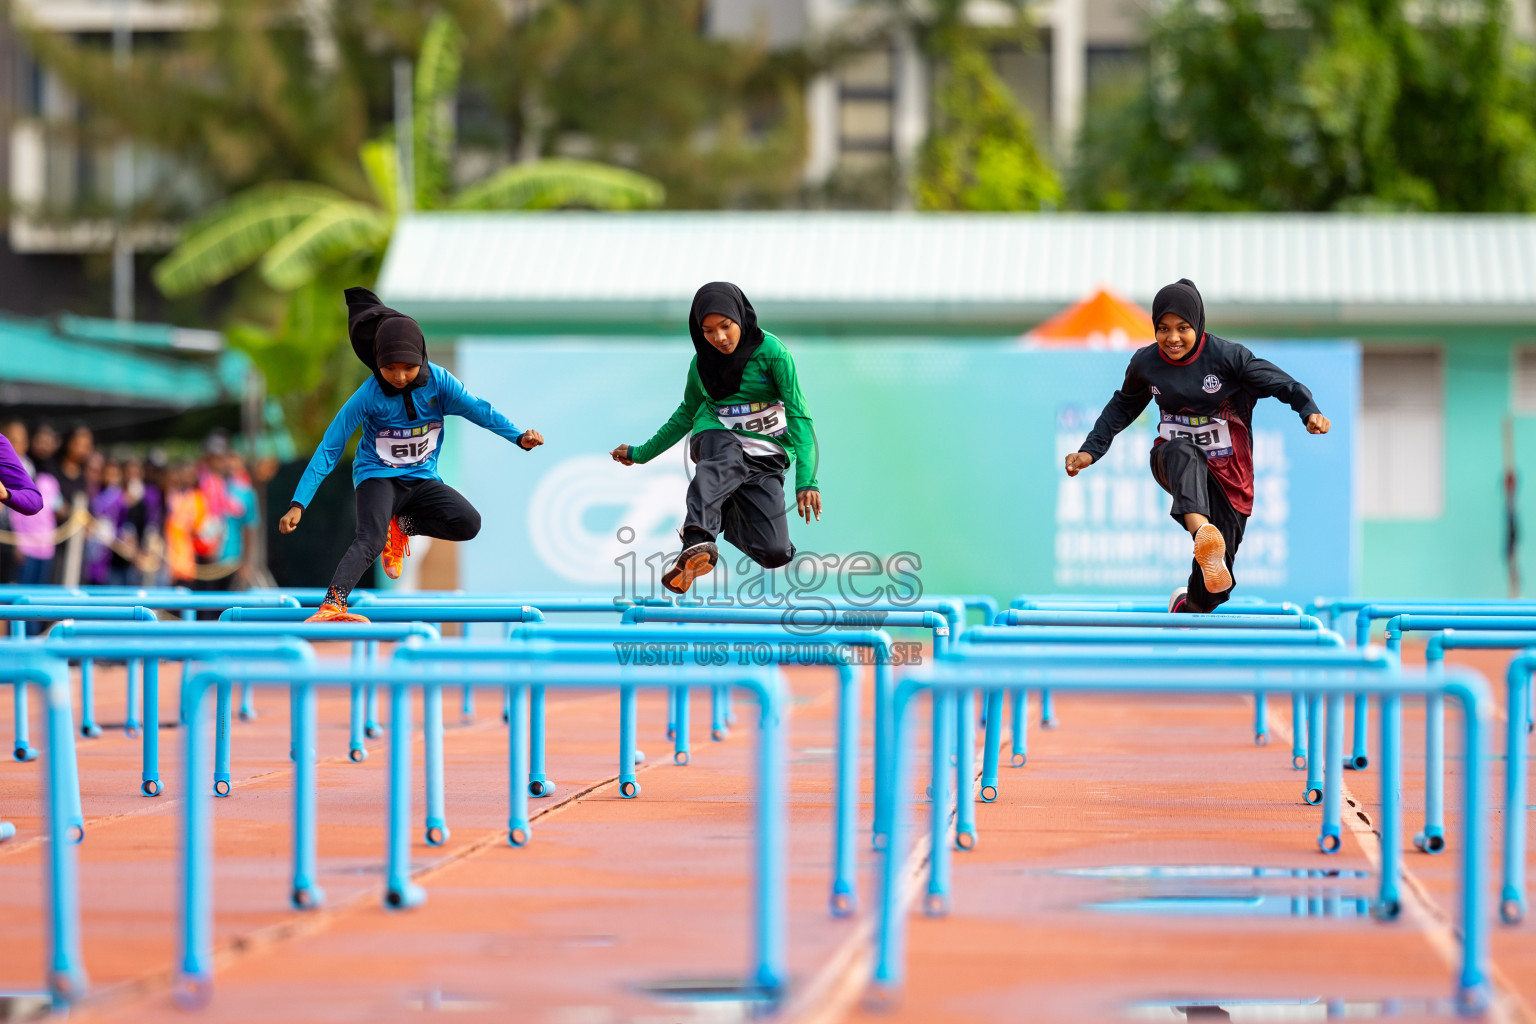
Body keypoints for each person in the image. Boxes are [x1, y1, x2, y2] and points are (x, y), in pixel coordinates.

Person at [1064, 278, 1330, 613]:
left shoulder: (1229, 358)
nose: (1172, 338)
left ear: (1198, 325)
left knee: (1212, 591)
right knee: (1182, 450)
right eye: (1163, 329)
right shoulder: (1146, 364)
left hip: (1229, 477)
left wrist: (1309, 411)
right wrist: (1090, 450)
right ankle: (1203, 531)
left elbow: (1281, 383)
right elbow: (1123, 405)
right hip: (1172, 461)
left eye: (1182, 328)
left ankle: (1187, 608)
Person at [279, 287, 544, 623]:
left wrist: (518, 437)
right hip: (378, 477)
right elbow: (330, 447)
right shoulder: (368, 395)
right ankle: (332, 604)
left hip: (421, 479)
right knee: (369, 540)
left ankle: (401, 524)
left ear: (421, 356)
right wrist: (298, 503)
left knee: (469, 522)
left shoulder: (441, 383)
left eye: (408, 367)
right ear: (378, 363)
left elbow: (479, 410)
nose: (400, 376)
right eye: (390, 368)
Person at [610, 282, 821, 595]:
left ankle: (719, 512)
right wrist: (641, 453)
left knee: (775, 552)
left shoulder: (774, 355)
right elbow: (685, 414)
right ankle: (697, 540)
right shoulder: (701, 365)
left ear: (741, 317)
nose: (719, 338)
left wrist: (807, 481)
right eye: (708, 331)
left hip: (766, 455)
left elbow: (799, 415)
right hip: (717, 436)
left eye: (725, 327)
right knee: (725, 455)